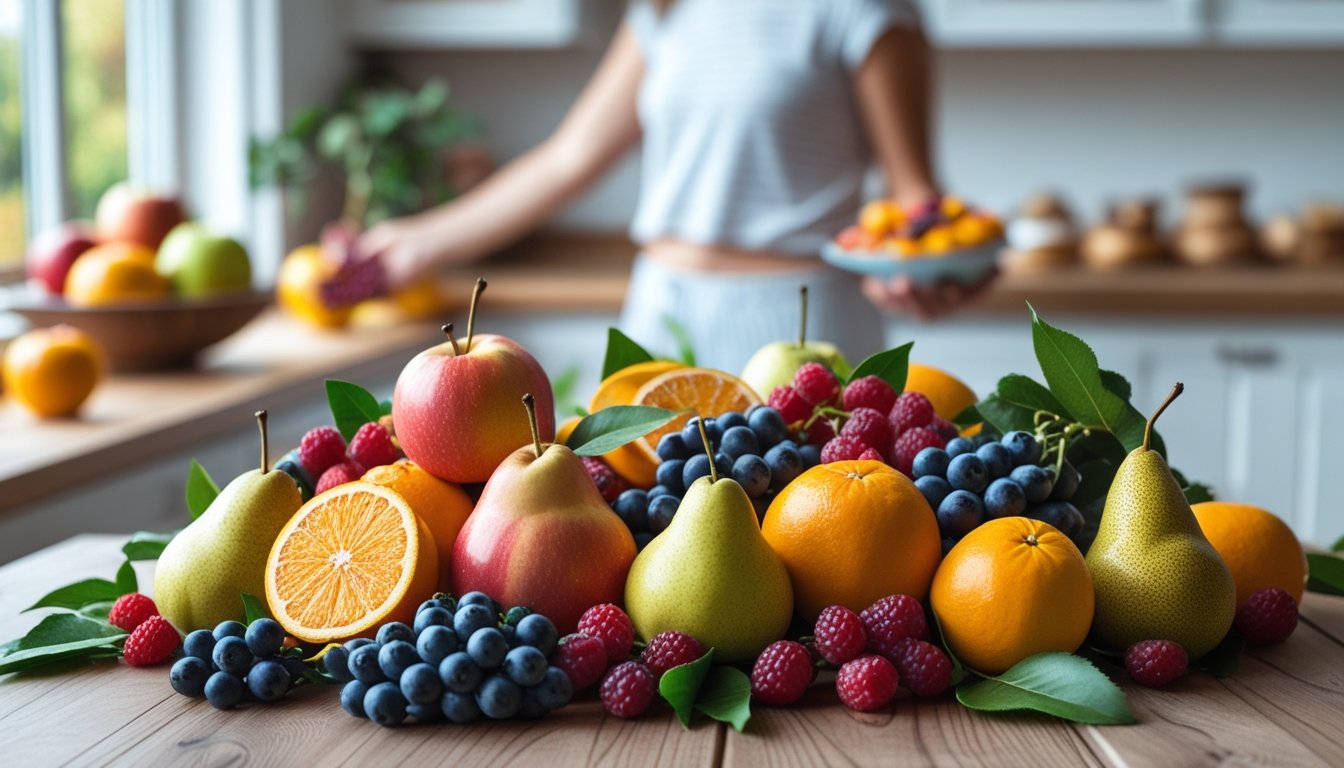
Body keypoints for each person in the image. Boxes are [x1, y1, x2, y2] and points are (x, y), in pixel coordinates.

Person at [356, 0, 993, 373]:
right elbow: (567, 160)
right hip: (659, 308)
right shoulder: (666, 9)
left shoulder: (866, 10)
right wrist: (414, 241)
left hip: (803, 322)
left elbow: (916, 199)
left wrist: (933, 272)